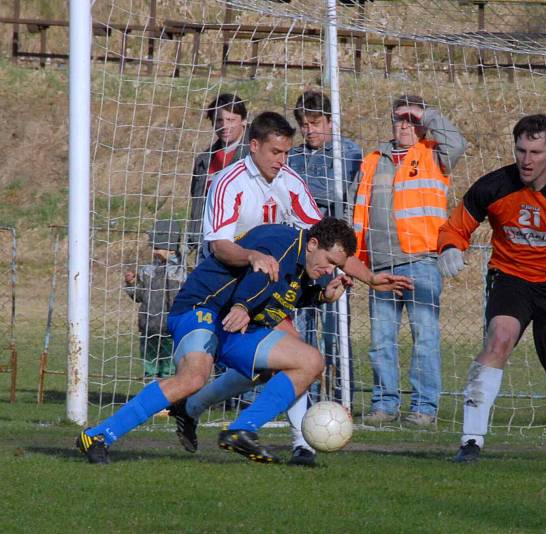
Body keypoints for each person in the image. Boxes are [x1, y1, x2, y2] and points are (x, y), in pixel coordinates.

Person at [173, 111, 411, 467]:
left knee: (279, 363)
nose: (283, 161)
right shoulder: (228, 181)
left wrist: (371, 278)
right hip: (227, 285)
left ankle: (193, 408)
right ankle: (300, 441)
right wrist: (253, 257)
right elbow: (220, 246)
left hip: (271, 282)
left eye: (286, 153)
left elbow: (328, 240)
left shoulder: (290, 182)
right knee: (295, 355)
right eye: (276, 152)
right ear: (256, 147)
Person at [77, 218, 356, 465]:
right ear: (313, 244)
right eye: (330, 262)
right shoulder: (280, 240)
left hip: (235, 323)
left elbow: (288, 292)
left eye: (337, 267)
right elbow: (259, 273)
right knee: (193, 377)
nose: (330, 270)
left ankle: (241, 430)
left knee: (310, 362)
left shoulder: (302, 267)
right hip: (201, 308)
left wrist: (322, 296)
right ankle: (97, 436)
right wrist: (242, 306)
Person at [437, 114, 546, 463]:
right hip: (510, 278)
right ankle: (471, 441)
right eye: (521, 150)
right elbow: (455, 226)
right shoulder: (493, 186)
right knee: (498, 338)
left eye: (535, 151)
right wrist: (448, 247)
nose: (527, 160)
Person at [352, 94, 467, 427]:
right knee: (380, 341)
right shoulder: (375, 158)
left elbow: (458, 142)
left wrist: (427, 113)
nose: (404, 125)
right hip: (381, 264)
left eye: (411, 120)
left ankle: (424, 408)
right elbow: (359, 210)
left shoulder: (434, 153)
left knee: (425, 338)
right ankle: (384, 405)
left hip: (422, 261)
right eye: (399, 119)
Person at [288, 90, 362, 402]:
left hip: (332, 258)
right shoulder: (293, 156)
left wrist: (300, 189)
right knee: (301, 331)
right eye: (304, 124)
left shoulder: (348, 152)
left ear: (330, 121)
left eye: (315, 122)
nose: (309, 130)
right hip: (302, 257)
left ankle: (342, 395)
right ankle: (305, 395)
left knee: (335, 330)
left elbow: (337, 190)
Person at [123, 219, 186, 378]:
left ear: (172, 249)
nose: (154, 252)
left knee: (169, 369)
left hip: (169, 330)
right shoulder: (148, 270)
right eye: (154, 247)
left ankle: (169, 398)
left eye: (158, 248)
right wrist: (131, 283)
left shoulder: (181, 273)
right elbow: (139, 296)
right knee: (149, 369)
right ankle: (149, 390)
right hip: (148, 327)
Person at [187, 93, 250, 253]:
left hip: (242, 242)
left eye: (230, 120)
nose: (224, 126)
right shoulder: (204, 161)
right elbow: (197, 201)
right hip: (207, 242)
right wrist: (195, 237)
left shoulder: (255, 156)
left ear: (243, 120)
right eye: (219, 121)